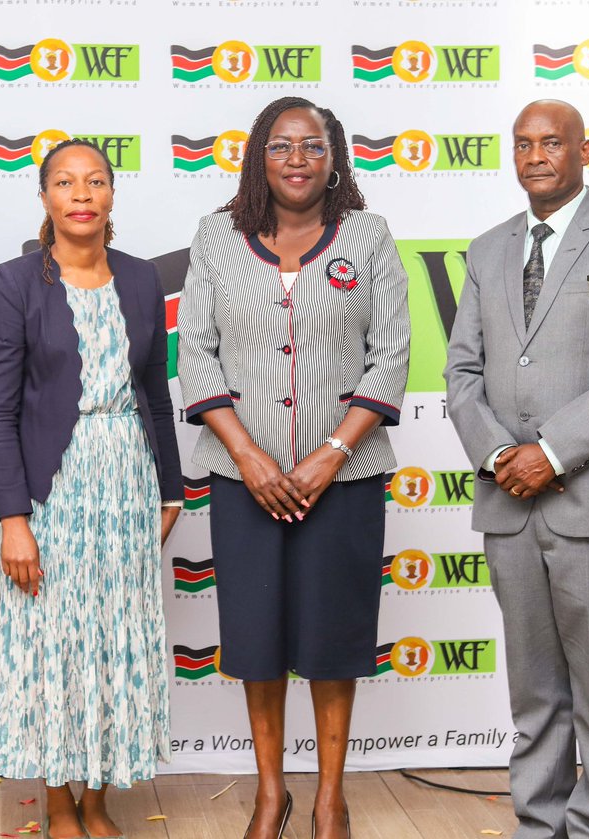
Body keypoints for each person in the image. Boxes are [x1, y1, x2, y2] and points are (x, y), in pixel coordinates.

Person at [444, 99, 589, 839]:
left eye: (551, 142)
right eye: (522, 144)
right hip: (510, 508)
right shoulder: (487, 249)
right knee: (534, 695)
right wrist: (498, 456)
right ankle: (539, 825)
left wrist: (548, 453)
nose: (535, 156)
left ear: (586, 150)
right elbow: (462, 372)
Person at [178, 96, 410, 839]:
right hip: (241, 477)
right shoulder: (216, 235)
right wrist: (247, 454)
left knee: (336, 638)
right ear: (259, 156)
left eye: (313, 145)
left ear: (334, 157)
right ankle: (270, 791)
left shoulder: (368, 235)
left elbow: (391, 353)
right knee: (256, 639)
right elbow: (196, 350)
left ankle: (330, 797)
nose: (297, 159)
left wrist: (331, 453)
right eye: (281, 145)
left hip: (346, 476)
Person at [0, 139, 183, 839]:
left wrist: (172, 491)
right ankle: (59, 801)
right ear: (44, 197)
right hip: (52, 488)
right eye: (65, 182)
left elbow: (156, 394)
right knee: (54, 641)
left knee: (112, 639)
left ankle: (98, 797)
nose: (81, 193)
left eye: (95, 180)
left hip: (127, 479)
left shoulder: (141, 279)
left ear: (112, 194)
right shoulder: (15, 282)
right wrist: (13, 517)